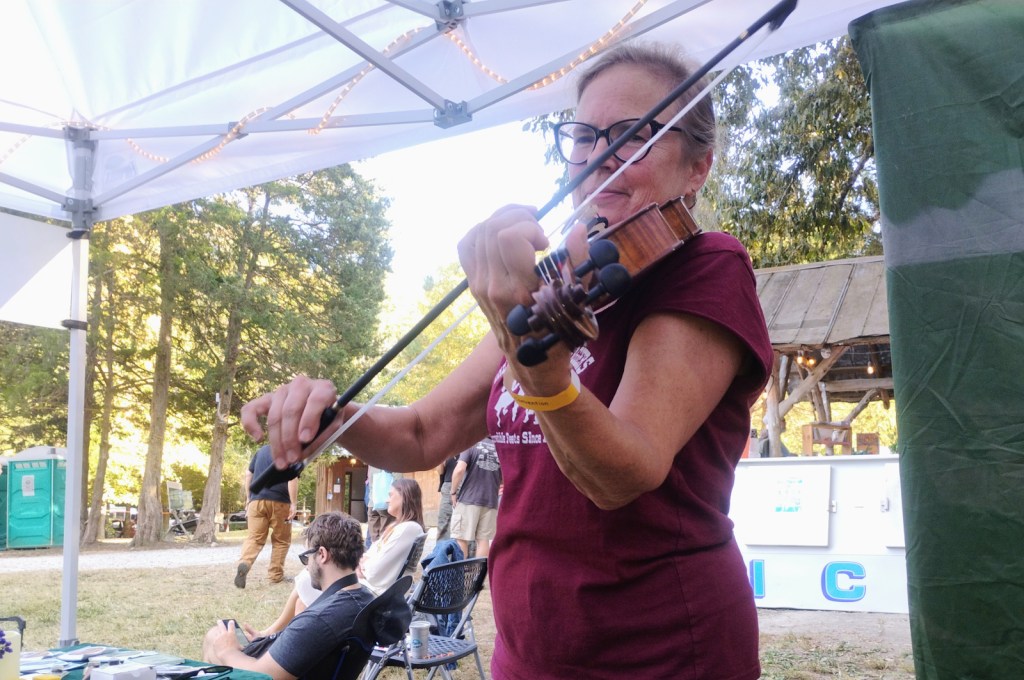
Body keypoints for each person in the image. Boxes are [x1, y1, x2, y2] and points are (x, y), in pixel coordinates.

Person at [242, 42, 773, 679]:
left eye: (635, 136)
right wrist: (334, 418)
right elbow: (422, 432)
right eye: (583, 136)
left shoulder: (706, 267)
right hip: (531, 650)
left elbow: (621, 474)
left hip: (660, 650)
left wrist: (534, 363)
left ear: (697, 167)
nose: (598, 158)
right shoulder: (556, 280)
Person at [203, 512, 374, 680]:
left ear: (322, 554)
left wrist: (227, 651)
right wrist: (269, 639)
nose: (307, 567)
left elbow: (261, 676)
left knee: (215, 636)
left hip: (265, 671)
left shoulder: (321, 619)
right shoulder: (364, 598)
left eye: (307, 557)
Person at [236, 444, 297, 588]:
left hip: (256, 501)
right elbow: (292, 479)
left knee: (254, 538)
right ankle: (275, 576)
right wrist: (293, 503)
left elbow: (248, 474)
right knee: (281, 540)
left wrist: (248, 497)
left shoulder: (261, 451)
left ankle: (245, 562)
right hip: (280, 502)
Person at [358, 478, 426, 594]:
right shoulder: (398, 527)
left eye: (390, 495)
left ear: (404, 496)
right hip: (373, 590)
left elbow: (373, 572)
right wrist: (364, 563)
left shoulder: (408, 529)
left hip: (376, 594)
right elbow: (370, 554)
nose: (386, 500)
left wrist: (362, 566)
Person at [449, 439, 501, 558]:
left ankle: (460, 575)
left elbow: (459, 470)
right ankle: (479, 576)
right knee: (483, 540)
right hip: (491, 501)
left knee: (461, 538)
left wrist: (453, 492)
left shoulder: (470, 443)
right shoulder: (499, 447)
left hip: (469, 499)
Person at [364, 466, 395, 547]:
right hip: (384, 503)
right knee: (384, 537)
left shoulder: (372, 463)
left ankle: (373, 552)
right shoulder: (389, 462)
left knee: (373, 539)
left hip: (372, 503)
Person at [435, 454, 459, 540]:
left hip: (467, 486)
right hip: (448, 485)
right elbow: (440, 471)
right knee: (444, 523)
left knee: (466, 526)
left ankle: (467, 553)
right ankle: (442, 552)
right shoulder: (449, 447)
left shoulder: (471, 445)